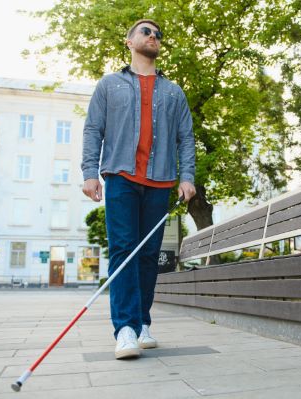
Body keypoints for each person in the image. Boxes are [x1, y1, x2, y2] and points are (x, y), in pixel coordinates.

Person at [81, 18, 196, 359]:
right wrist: (90, 173)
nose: (153, 36)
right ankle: (126, 329)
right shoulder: (109, 85)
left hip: (160, 181)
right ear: (129, 41)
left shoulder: (174, 92)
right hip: (120, 178)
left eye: (158, 34)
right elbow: (92, 130)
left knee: (148, 256)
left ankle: (142, 322)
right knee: (123, 251)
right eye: (146, 31)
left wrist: (187, 177)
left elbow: (185, 138)